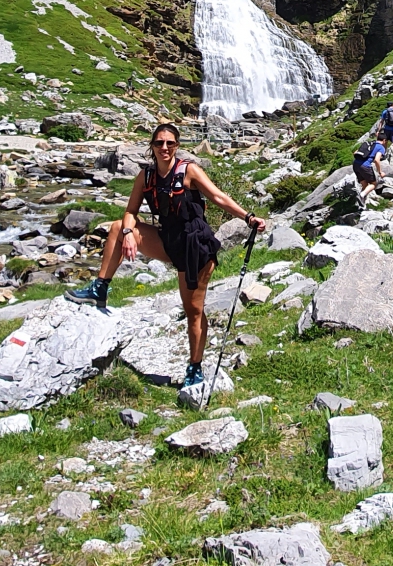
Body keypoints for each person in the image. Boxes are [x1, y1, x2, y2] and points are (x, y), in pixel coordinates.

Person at [68, 123, 264, 388]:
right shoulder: (146, 176)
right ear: (152, 146)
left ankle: (195, 368)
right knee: (116, 227)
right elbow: (130, 211)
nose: (164, 148)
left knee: (193, 310)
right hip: (168, 239)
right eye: (159, 143)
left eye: (170, 143)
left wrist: (248, 217)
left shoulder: (189, 171)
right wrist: (128, 231)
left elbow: (218, 197)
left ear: (177, 146)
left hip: (195, 246)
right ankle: (100, 287)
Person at [352, 133, 388, 208]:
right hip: (365, 165)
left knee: (364, 184)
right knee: (373, 184)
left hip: (355, 164)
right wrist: (380, 172)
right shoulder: (381, 147)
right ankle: (361, 195)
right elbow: (377, 160)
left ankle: (361, 205)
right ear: (384, 140)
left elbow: (355, 152)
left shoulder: (369, 143)